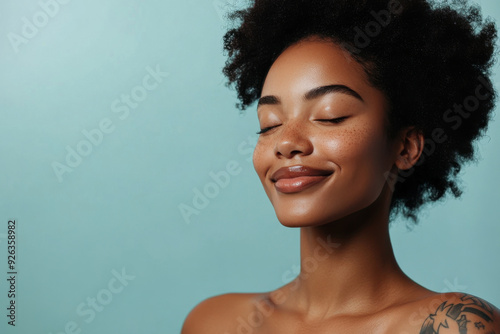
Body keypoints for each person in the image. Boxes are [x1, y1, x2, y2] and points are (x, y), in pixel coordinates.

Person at [182, 0, 500, 332]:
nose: (286, 142)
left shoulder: (454, 325)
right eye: (269, 124)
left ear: (405, 147)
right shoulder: (214, 322)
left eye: (330, 116)